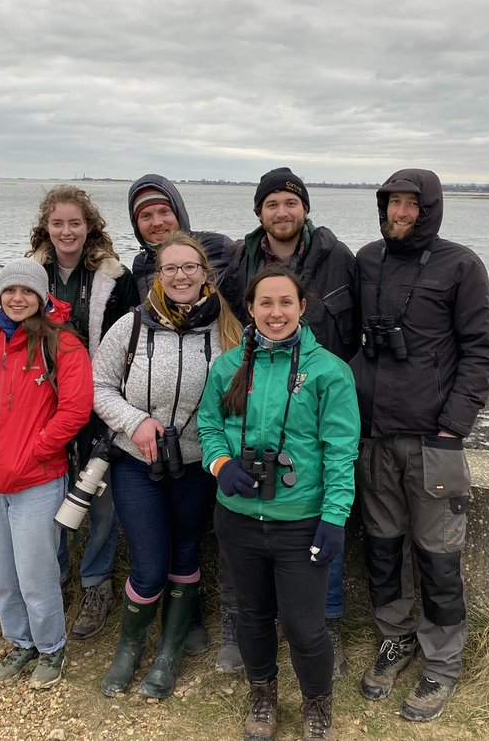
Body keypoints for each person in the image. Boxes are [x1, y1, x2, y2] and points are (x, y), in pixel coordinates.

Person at [352, 169, 489, 722]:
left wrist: (452, 427)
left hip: (432, 441)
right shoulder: (366, 260)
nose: (401, 213)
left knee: (438, 557)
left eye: (412, 205)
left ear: (430, 209)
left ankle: (442, 661)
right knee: (383, 550)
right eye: (393, 203)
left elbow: (482, 350)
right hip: (372, 437)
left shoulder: (461, 265)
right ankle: (394, 639)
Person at [199, 266, 359, 741]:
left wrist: (334, 518)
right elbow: (209, 428)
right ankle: (263, 695)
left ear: (302, 307)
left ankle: (316, 703)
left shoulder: (330, 371)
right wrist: (221, 465)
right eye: (264, 303)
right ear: (249, 308)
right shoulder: (228, 366)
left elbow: (340, 451)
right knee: (250, 616)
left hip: (301, 523)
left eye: (285, 302)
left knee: (305, 627)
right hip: (240, 519)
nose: (275, 313)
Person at [219, 166, 358, 678]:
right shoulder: (240, 257)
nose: (283, 212)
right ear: (259, 211)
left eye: (291, 203)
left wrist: (330, 384)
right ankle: (246, 625)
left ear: (305, 209)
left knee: (325, 514)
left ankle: (328, 625)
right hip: (259, 385)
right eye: (272, 203)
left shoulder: (335, 255)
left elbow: (357, 325)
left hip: (317, 391)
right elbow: (229, 318)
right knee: (242, 530)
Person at [92, 232, 242, 698]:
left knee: (185, 556)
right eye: (170, 268)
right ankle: (129, 648)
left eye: (189, 268)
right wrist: (135, 422)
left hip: (199, 465)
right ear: (158, 276)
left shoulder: (228, 330)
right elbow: (98, 386)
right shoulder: (131, 325)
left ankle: (169, 654)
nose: (180, 276)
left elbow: (241, 395)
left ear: (205, 275)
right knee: (150, 565)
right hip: (138, 462)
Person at [0, 259, 94, 689]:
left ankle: (50, 648)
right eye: (10, 290)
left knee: (36, 575)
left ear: (42, 296)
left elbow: (75, 409)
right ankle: (20, 642)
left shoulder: (63, 346)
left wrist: (36, 451)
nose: (17, 298)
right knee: (1, 578)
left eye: (27, 291)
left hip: (37, 482)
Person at [27, 184, 140, 640]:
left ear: (89, 226)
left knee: (101, 497)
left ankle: (96, 582)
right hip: (42, 401)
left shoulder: (117, 276)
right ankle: (54, 576)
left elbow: (129, 344)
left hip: (98, 401)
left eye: (75, 222)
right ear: (46, 227)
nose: (67, 231)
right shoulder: (30, 273)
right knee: (48, 491)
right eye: (58, 223)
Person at [127, 174, 234, 298]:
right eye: (146, 216)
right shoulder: (142, 265)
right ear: (136, 224)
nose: (157, 222)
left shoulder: (219, 247)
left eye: (164, 211)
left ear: (178, 213)